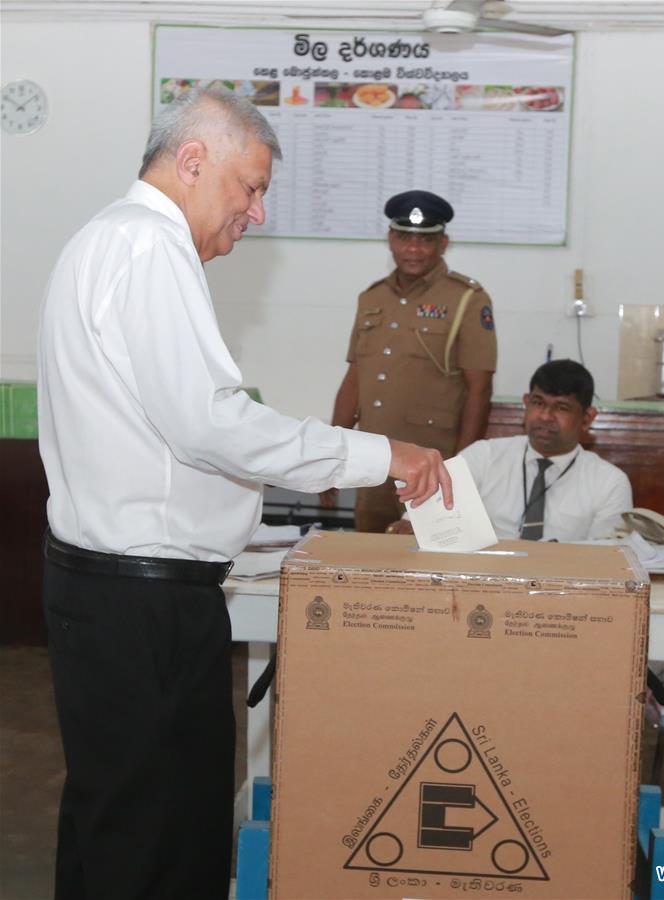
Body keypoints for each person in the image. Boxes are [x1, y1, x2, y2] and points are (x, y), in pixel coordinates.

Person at [37, 87, 451, 900]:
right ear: (193, 162)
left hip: (104, 586)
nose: (257, 213)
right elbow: (211, 425)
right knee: (162, 841)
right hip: (145, 605)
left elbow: (156, 440)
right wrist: (384, 454)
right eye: (250, 187)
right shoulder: (152, 249)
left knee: (113, 825)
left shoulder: (102, 239)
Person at [321, 189, 497, 533]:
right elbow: (355, 380)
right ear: (390, 239)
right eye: (404, 237)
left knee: (428, 563)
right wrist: (328, 457)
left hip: (431, 467)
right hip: (373, 463)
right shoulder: (372, 297)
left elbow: (480, 390)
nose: (413, 248)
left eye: (424, 240)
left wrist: (461, 468)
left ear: (443, 244)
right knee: (368, 563)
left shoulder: (467, 299)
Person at [392, 359, 632, 541]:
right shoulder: (484, 456)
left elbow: (608, 557)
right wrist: (410, 526)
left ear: (588, 418)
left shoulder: (609, 482)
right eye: (538, 403)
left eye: (561, 408)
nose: (545, 417)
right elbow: (419, 523)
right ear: (526, 403)